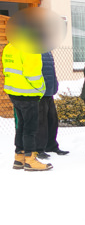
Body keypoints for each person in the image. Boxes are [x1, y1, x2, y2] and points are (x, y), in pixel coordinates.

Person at [3, 14, 52, 171]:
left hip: (13, 93)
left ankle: (19, 157)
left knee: (21, 126)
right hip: (29, 94)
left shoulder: (9, 47)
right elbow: (33, 74)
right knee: (30, 128)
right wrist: (41, 90)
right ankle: (30, 159)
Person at [34, 50, 69, 158]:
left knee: (52, 120)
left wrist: (55, 84)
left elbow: (51, 70)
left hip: (49, 91)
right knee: (41, 123)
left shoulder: (47, 51)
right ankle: (39, 149)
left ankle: (51, 145)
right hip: (40, 92)